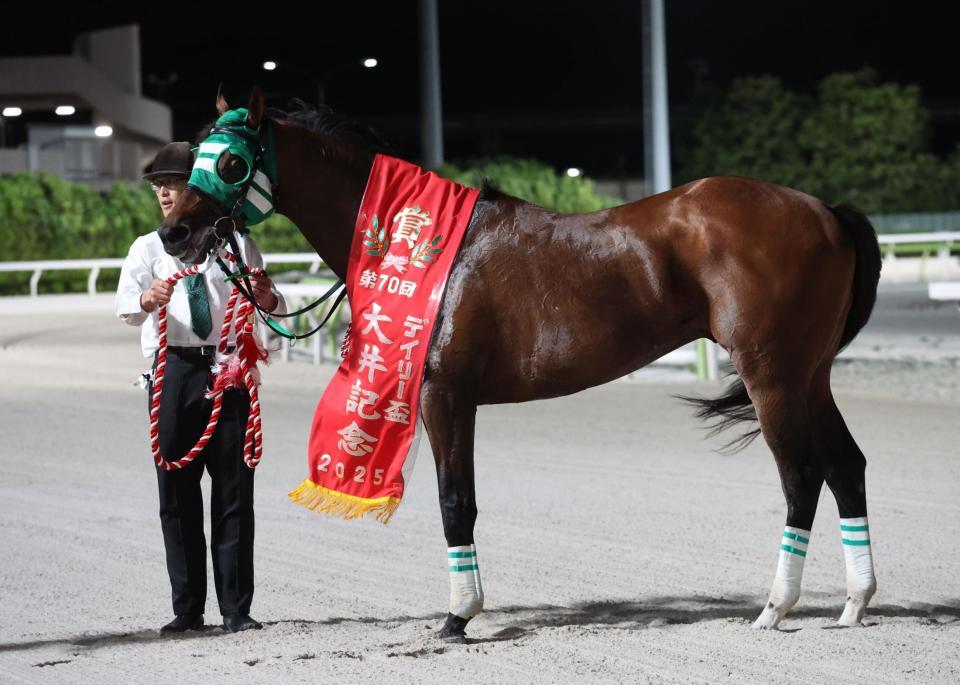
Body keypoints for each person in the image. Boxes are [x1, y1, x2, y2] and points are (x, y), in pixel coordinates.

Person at [114, 142, 286, 633]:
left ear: (198, 191)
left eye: (175, 184)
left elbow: (268, 301)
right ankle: (187, 610)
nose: (166, 193)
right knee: (177, 493)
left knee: (234, 494)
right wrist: (150, 297)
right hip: (172, 373)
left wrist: (268, 296)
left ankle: (236, 610)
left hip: (227, 371)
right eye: (159, 186)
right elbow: (128, 308)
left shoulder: (238, 247)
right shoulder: (147, 248)